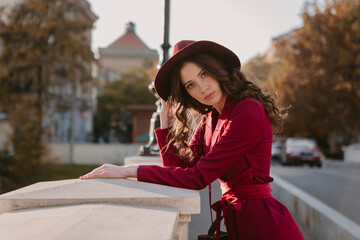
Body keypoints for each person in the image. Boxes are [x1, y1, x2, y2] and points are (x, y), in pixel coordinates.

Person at [80, 40, 305, 240]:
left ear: (217, 70)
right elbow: (178, 170)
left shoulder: (248, 111)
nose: (202, 88)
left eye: (203, 74)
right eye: (190, 85)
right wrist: (165, 118)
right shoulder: (210, 119)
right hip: (239, 224)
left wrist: (128, 171)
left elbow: (197, 178)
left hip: (265, 226)